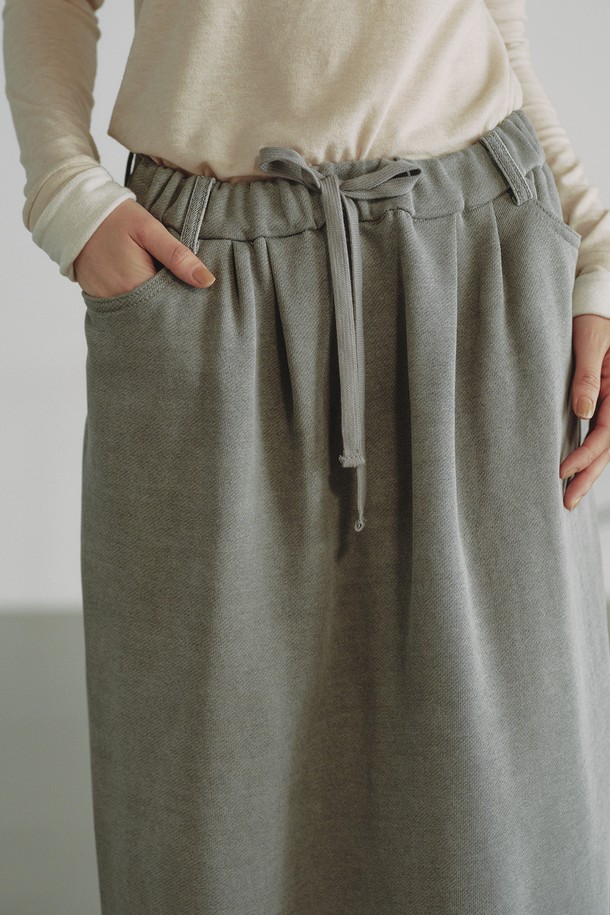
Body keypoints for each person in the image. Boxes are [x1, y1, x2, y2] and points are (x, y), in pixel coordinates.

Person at [4, 0, 610, 912]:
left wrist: (593, 246)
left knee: (501, 822)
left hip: (475, 267)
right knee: (206, 817)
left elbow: (497, 26)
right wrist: (65, 193)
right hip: (205, 284)